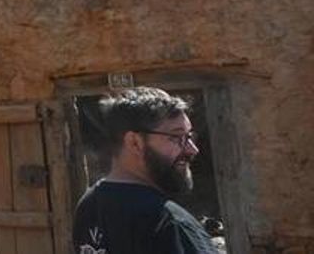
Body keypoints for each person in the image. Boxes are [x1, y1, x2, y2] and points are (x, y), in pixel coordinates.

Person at [73, 87, 218, 254]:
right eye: (177, 137)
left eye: (189, 137)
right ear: (135, 142)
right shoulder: (169, 223)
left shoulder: (88, 208)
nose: (192, 150)